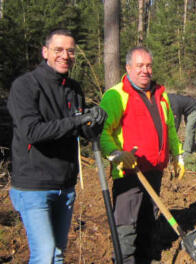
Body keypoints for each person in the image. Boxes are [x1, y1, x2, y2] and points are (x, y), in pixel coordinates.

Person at [7, 29, 106, 263]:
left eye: (70, 51)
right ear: (45, 52)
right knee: (45, 253)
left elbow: (82, 132)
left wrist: (95, 122)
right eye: (58, 50)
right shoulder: (25, 86)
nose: (65, 55)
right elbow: (32, 132)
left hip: (65, 184)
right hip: (34, 186)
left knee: (58, 253)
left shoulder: (74, 88)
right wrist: (77, 120)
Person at [99, 47, 184, 263]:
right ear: (128, 68)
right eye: (139, 66)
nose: (145, 70)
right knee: (126, 224)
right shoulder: (116, 95)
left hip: (154, 168)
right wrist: (115, 153)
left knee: (148, 219)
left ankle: (146, 258)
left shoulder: (160, 93)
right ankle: (124, 259)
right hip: (129, 172)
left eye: (148, 65)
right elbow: (102, 131)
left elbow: (169, 127)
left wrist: (177, 154)